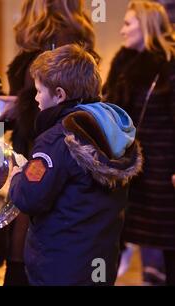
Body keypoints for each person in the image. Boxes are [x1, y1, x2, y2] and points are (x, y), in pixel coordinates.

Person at [9, 44, 143, 285]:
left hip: (60, 267)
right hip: (100, 263)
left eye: (39, 91)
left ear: (59, 94)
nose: (37, 99)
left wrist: (17, 175)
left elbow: (29, 197)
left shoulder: (58, 139)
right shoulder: (111, 129)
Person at [0, 0, 99, 286]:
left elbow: (55, 105)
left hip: (41, 149)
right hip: (38, 146)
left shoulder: (60, 42)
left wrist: (20, 107)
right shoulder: (56, 40)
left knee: (30, 238)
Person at [103, 0, 175, 286]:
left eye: (128, 23)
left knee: (169, 243)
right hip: (128, 170)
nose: (122, 31)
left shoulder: (170, 65)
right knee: (116, 236)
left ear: (146, 26)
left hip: (163, 172)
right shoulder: (123, 63)